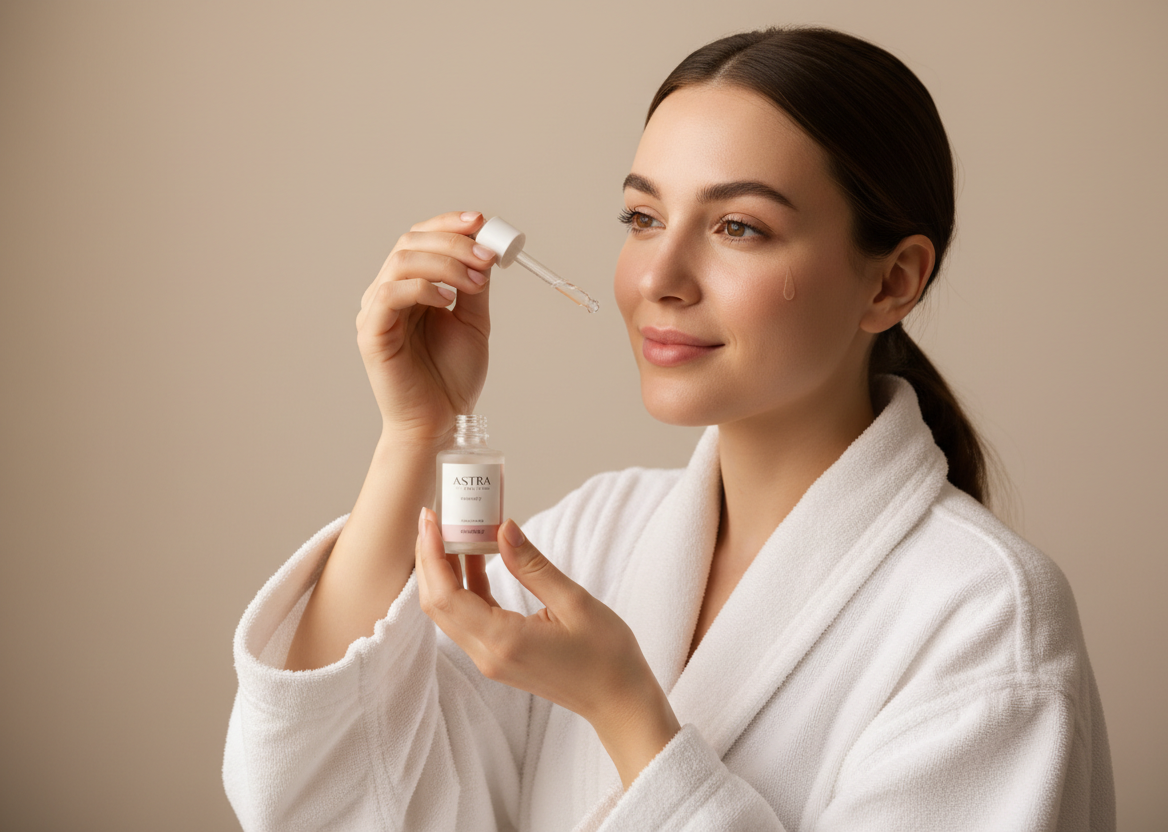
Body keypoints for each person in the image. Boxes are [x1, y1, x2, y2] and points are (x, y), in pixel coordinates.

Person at [223, 26, 1114, 831]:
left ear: (891, 282)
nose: (661, 276)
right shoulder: (597, 534)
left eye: (738, 227)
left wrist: (624, 709)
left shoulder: (987, 621)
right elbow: (324, 797)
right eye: (642, 218)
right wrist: (416, 429)